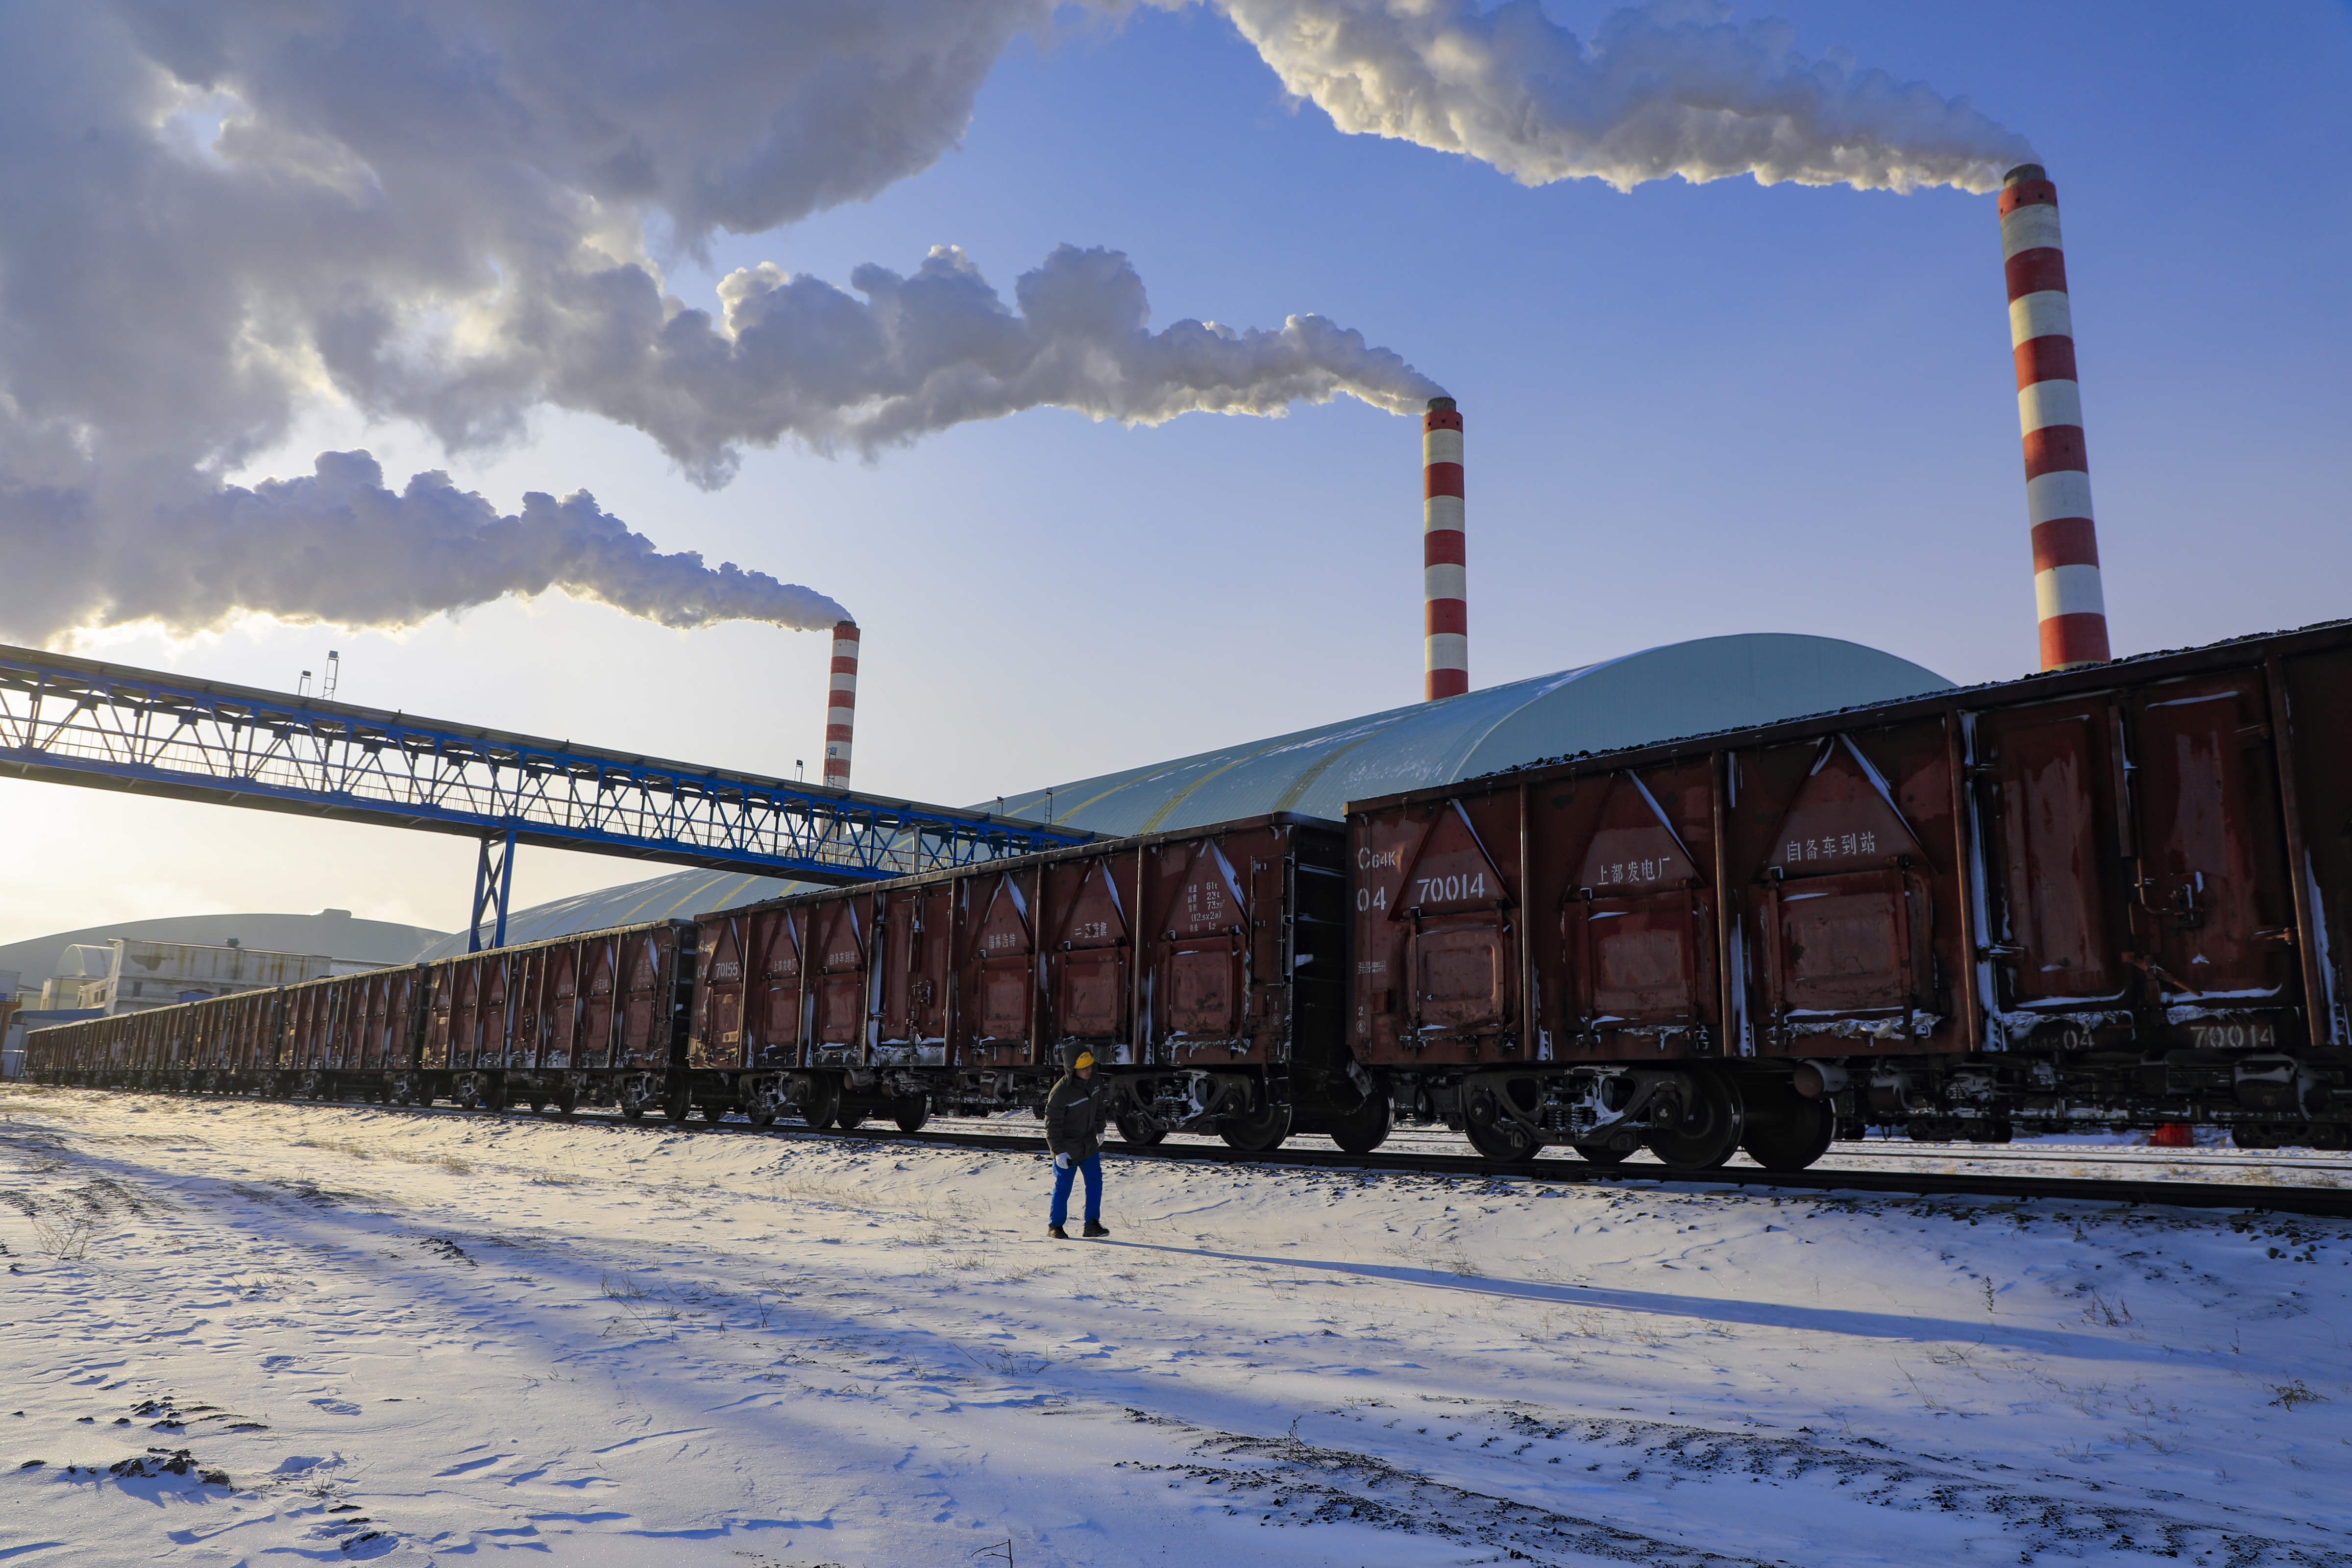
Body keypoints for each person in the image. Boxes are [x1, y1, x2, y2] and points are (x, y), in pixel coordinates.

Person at [1044, 1050, 1110, 1240]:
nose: (1089, 1070)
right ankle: (1055, 1226)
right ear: (1073, 1070)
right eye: (1083, 1068)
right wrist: (1059, 1151)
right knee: (1063, 1187)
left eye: (1090, 1066)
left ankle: (1092, 1225)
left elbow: (1098, 1106)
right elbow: (1052, 1125)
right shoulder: (1061, 1092)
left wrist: (1100, 1128)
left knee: (1095, 1183)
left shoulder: (1094, 1081)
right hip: (1068, 1149)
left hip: (1089, 1144)